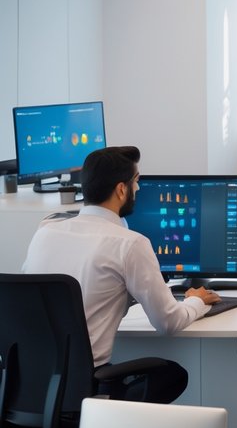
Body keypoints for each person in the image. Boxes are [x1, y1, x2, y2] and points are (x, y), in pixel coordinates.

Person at [21, 146, 219, 404]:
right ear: (121, 189)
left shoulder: (46, 230)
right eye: (136, 182)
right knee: (173, 375)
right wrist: (196, 301)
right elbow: (168, 323)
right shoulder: (130, 244)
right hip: (80, 390)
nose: (138, 189)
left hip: (28, 384)